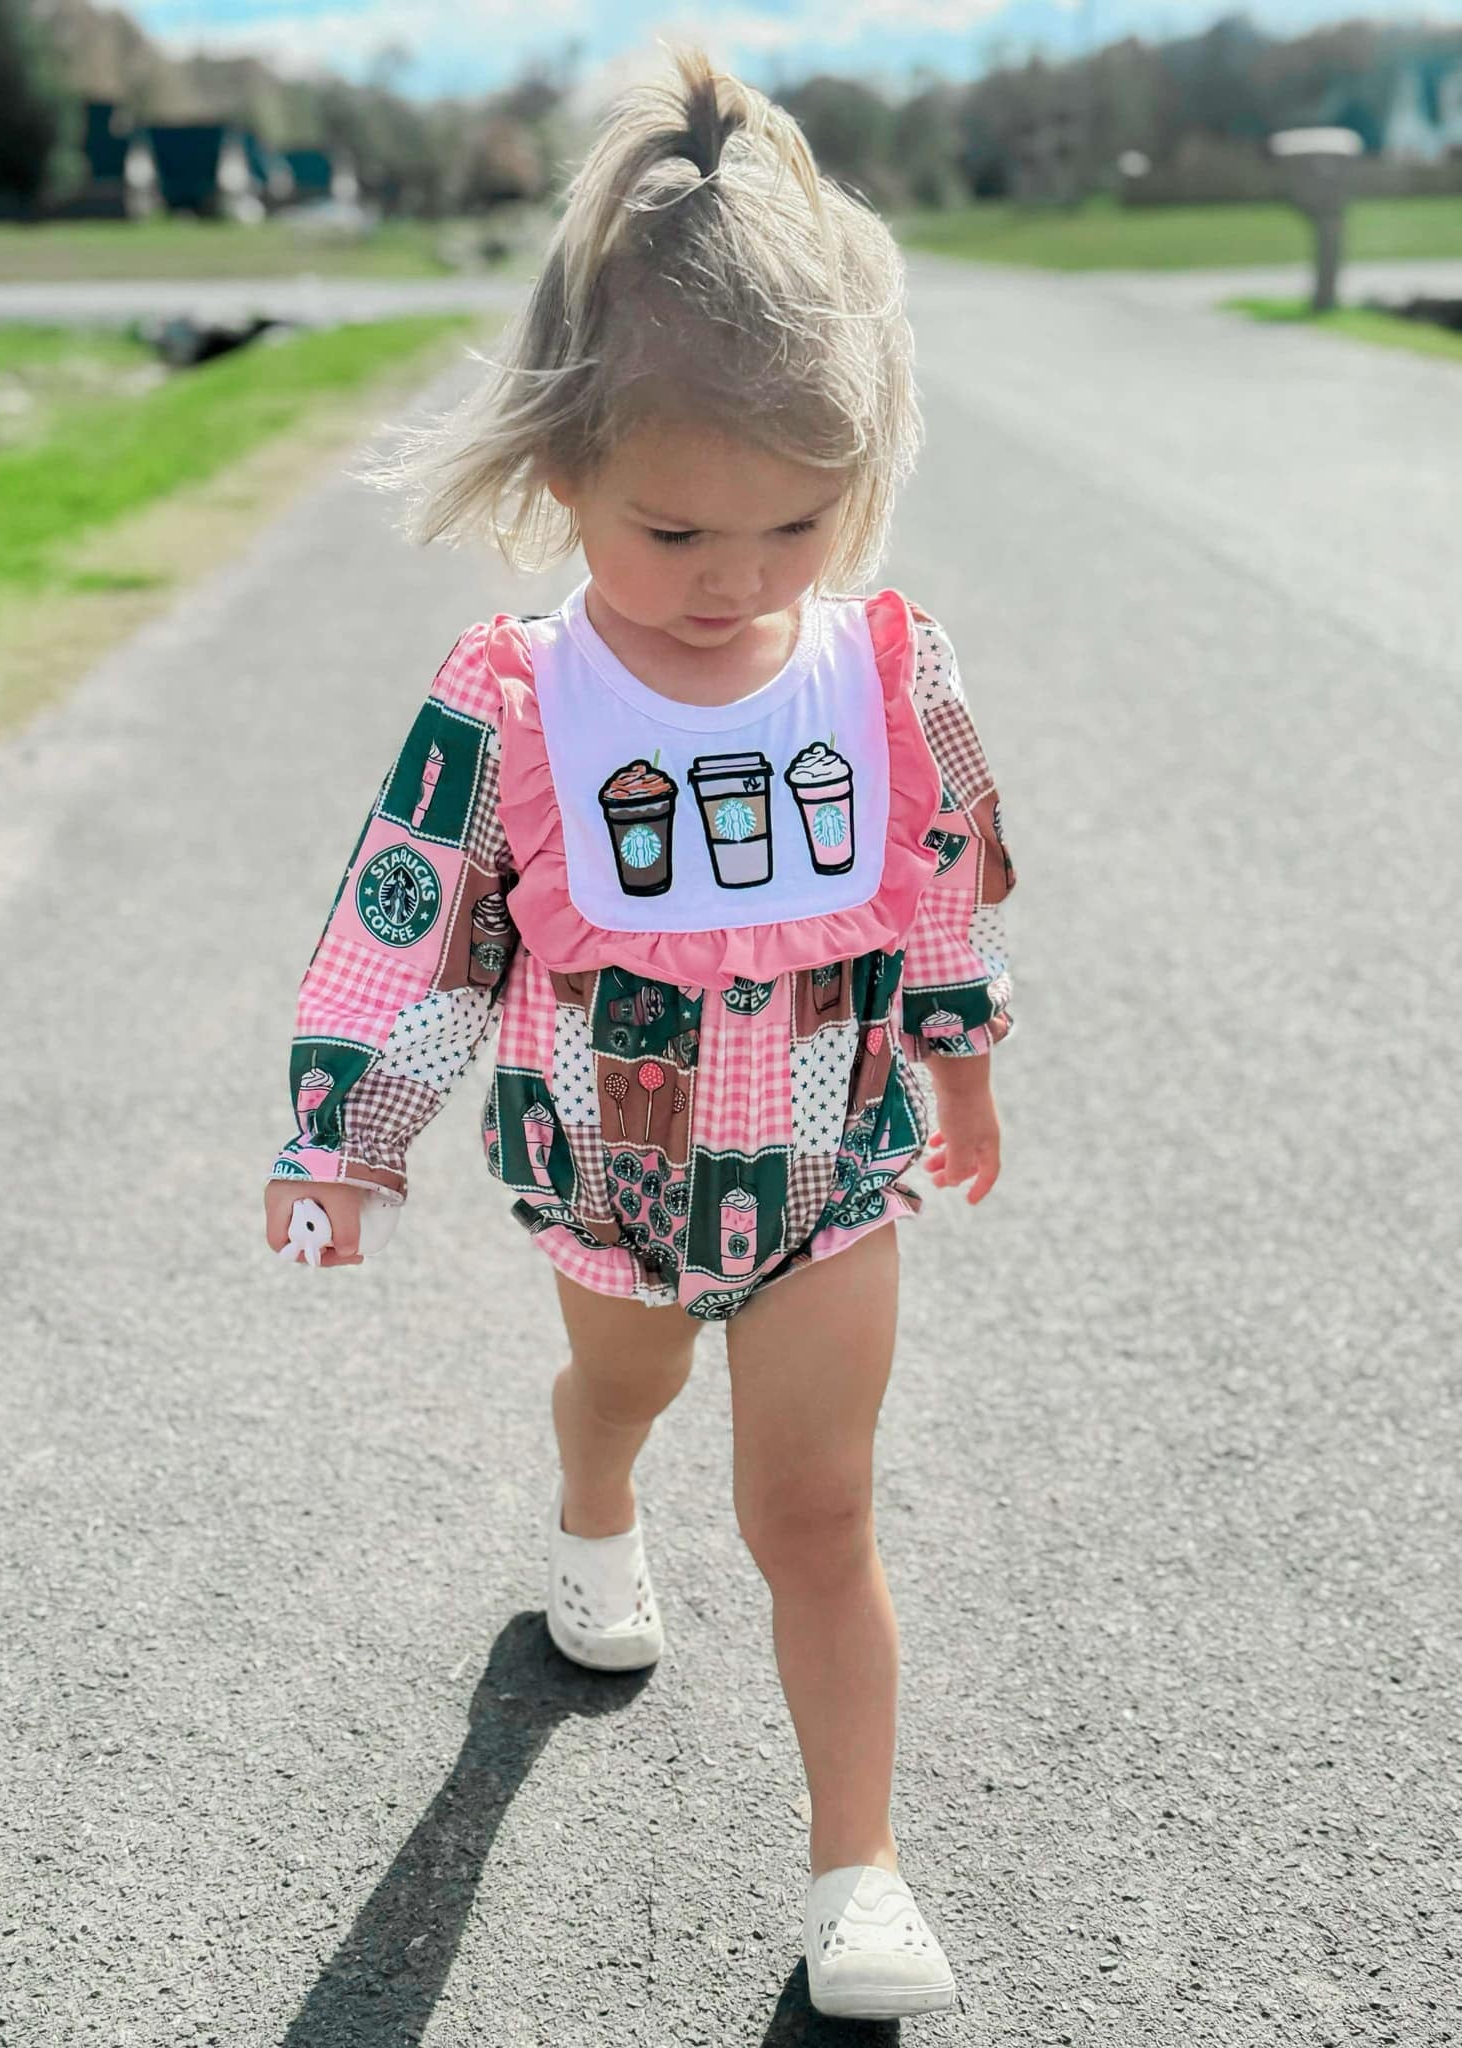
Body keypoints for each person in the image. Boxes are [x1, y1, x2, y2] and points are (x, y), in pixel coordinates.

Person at [262, 44, 1017, 2023]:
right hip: (611, 1190)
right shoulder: (520, 706)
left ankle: (857, 1868)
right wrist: (346, 1137)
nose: (735, 582)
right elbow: (417, 930)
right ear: (563, 470)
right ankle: (592, 1505)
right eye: (675, 534)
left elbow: (941, 869)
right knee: (625, 1387)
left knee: (815, 1510)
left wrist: (959, 1057)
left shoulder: (882, 671)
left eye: (794, 526)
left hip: (832, 1179)